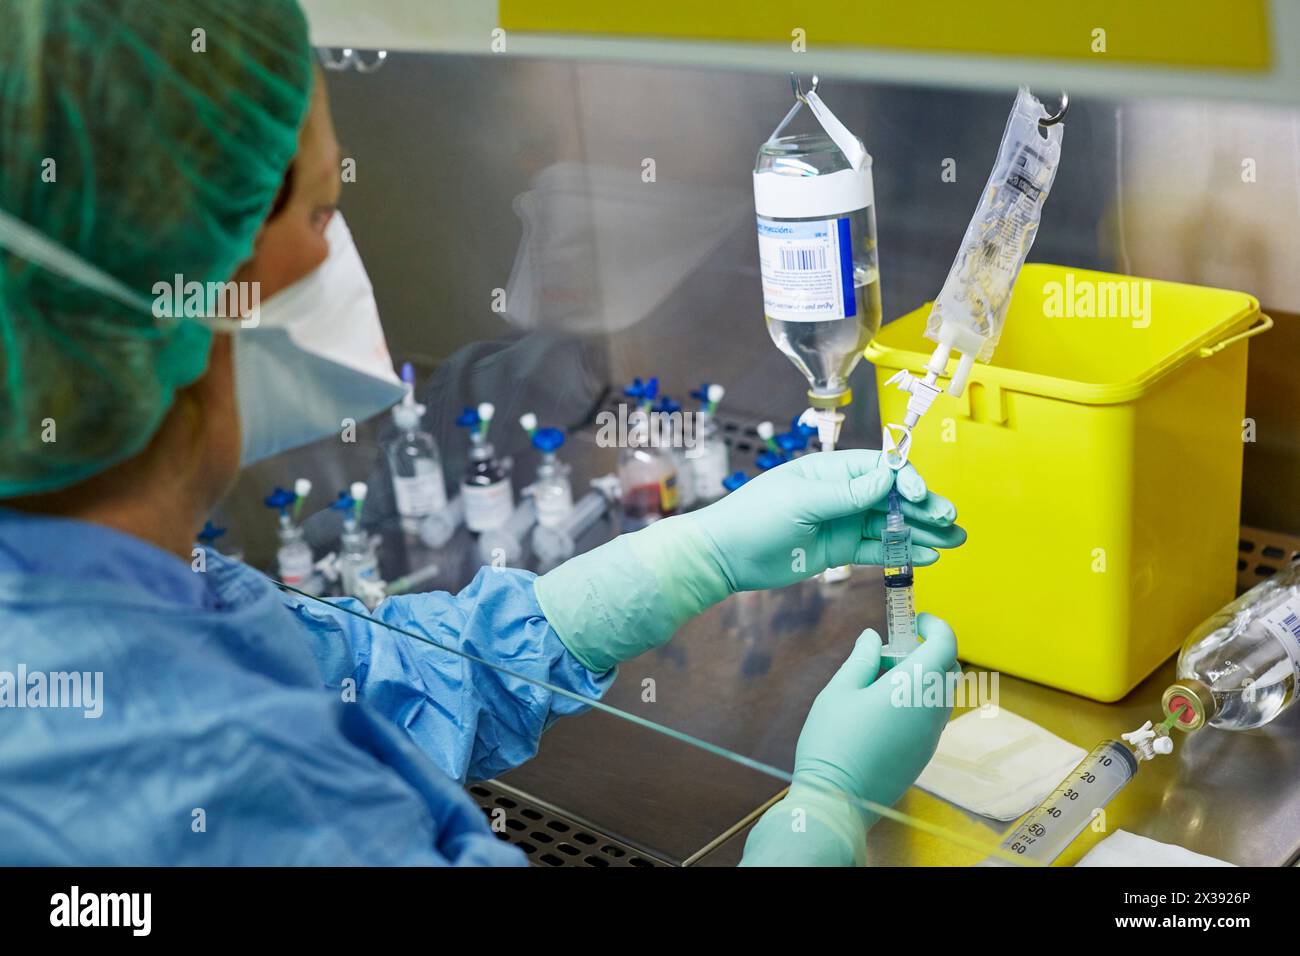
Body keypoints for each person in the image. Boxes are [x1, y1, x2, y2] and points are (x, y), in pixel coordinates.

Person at [0, 0, 965, 865]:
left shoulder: (108, 597)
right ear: (185, 293)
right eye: (322, 210)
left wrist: (684, 560)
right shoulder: (232, 795)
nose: (341, 259)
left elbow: (363, 679)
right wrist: (822, 820)